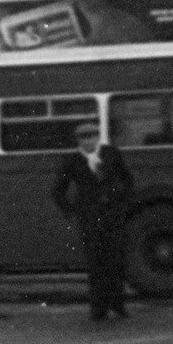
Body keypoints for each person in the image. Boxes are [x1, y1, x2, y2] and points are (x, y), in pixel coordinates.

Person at [52, 119, 134, 320]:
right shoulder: (72, 161)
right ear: (78, 141)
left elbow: (127, 180)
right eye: (83, 138)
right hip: (90, 219)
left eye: (91, 137)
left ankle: (118, 305)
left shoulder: (111, 154)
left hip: (112, 216)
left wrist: (120, 201)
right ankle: (98, 308)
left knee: (115, 261)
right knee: (95, 265)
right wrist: (72, 211)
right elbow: (57, 190)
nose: (88, 141)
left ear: (98, 138)